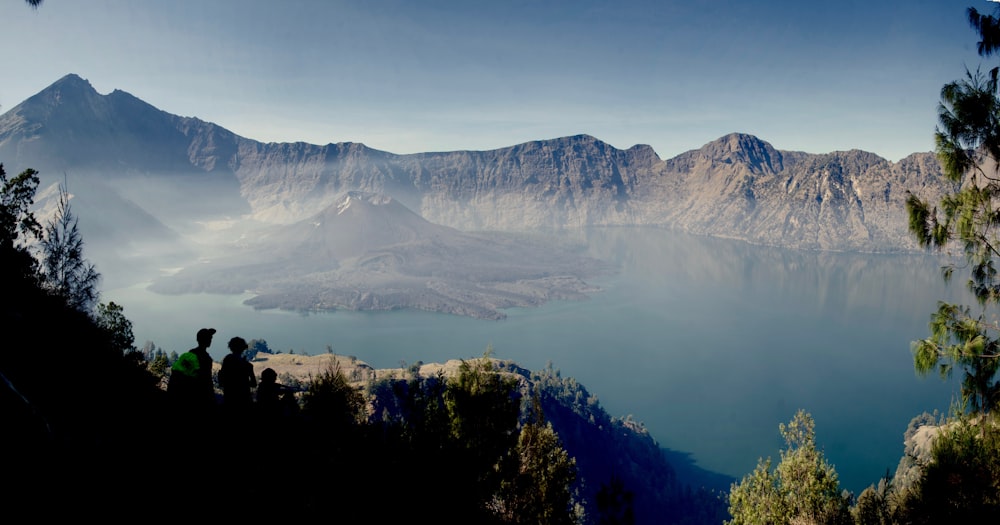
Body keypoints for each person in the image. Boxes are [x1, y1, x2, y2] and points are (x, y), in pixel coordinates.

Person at [219, 336, 256, 414]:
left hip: (230, 398)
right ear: (242, 348)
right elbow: (253, 383)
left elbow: (222, 381)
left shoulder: (227, 360)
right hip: (243, 399)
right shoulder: (245, 364)